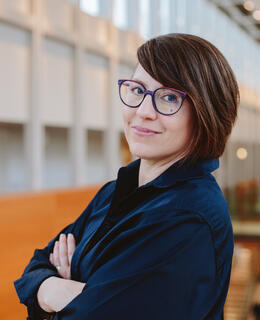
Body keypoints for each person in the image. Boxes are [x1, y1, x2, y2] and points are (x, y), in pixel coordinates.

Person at [14, 33, 239, 320]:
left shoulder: (187, 217)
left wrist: (57, 292)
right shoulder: (113, 192)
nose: (143, 111)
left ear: (206, 112)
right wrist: (57, 290)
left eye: (169, 97)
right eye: (137, 90)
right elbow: (35, 268)